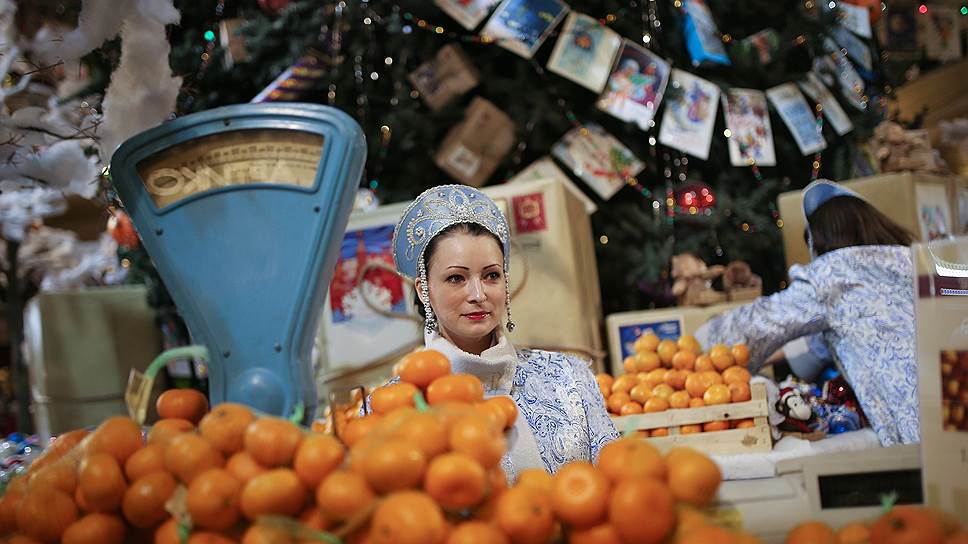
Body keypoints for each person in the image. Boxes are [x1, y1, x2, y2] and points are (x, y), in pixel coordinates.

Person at [387, 184, 617, 480]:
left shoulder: (569, 376)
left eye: (491, 275)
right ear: (424, 290)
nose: (478, 294)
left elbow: (617, 481)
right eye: (456, 278)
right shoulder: (395, 406)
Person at [696, 179, 919, 446]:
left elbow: (759, 323)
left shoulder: (831, 275)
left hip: (920, 433)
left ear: (821, 241)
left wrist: (696, 345)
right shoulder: (916, 261)